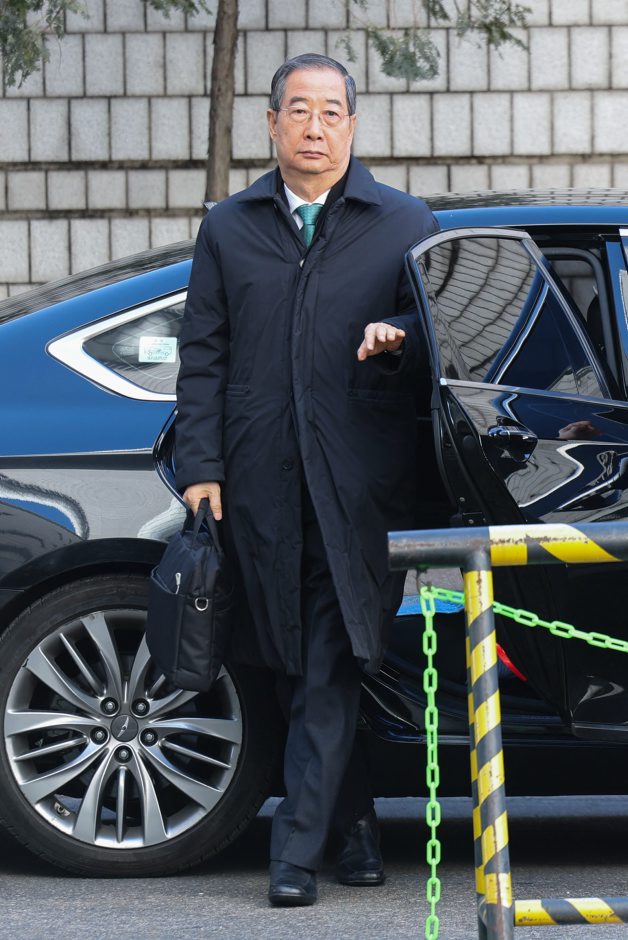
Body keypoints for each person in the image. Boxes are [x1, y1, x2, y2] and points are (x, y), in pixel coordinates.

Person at [176, 53, 438, 907]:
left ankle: (293, 853)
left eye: (331, 112)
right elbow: (203, 355)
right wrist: (202, 467)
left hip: (358, 486)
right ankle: (353, 827)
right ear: (272, 123)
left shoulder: (404, 223)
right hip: (258, 483)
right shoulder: (230, 227)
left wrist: (398, 337)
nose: (315, 127)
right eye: (299, 111)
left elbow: (445, 342)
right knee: (290, 663)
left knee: (330, 656)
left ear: (352, 126)